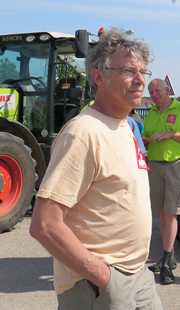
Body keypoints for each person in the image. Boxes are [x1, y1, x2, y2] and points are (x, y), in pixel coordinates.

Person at [29, 27, 162, 310]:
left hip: (138, 275)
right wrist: (104, 278)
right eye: (129, 71)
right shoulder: (83, 133)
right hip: (97, 285)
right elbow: (45, 224)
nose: (140, 80)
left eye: (143, 72)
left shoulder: (128, 127)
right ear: (99, 77)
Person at [142, 78, 180, 284]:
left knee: (171, 213)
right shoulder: (150, 115)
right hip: (155, 166)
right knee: (161, 213)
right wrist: (145, 140)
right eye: (151, 91)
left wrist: (171, 134)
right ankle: (169, 257)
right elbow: (146, 138)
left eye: (158, 89)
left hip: (177, 166)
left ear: (167, 90)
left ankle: (166, 263)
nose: (155, 93)